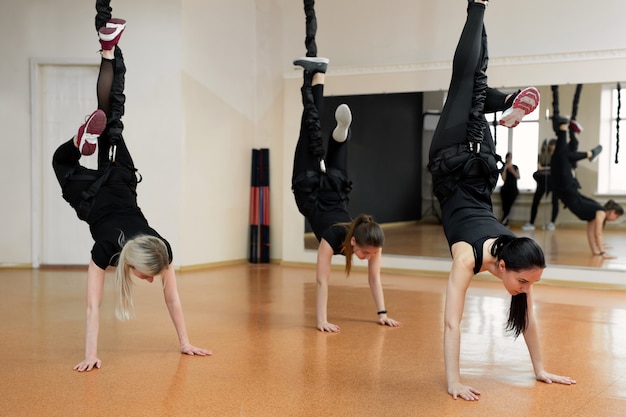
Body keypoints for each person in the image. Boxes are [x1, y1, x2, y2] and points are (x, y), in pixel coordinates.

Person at [427, 0, 576, 401]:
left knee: (469, 85)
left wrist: (541, 369)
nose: (525, 288)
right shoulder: (476, 258)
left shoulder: (497, 259)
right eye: (525, 281)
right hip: (477, 166)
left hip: (454, 161)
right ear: (507, 266)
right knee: (470, 82)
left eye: (529, 283)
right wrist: (453, 381)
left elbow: (527, 322)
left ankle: (507, 98)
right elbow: (451, 325)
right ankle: (479, 9)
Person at [52, 1, 211, 372]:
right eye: (150, 275)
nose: (151, 279)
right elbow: (95, 304)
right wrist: (183, 342)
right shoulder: (106, 250)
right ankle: (77, 143)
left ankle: (109, 47)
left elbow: (167, 298)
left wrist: (186, 342)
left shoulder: (161, 247)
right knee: (61, 163)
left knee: (113, 115)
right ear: (136, 264)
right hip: (94, 198)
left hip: (121, 178)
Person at [550, 116, 623, 256]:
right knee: (562, 156)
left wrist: (596, 252)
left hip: (563, 190)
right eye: (616, 217)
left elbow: (590, 235)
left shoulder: (594, 214)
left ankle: (568, 131)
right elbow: (598, 234)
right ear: (612, 212)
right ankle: (564, 128)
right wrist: (602, 252)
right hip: (566, 188)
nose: (615, 220)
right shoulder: (600, 212)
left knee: (561, 156)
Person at [522, 139, 559, 231]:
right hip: (542, 181)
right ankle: (531, 223)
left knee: (555, 202)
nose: (549, 147)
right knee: (535, 202)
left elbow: (555, 169)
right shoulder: (541, 156)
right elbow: (539, 168)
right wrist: (548, 169)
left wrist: (545, 169)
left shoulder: (556, 156)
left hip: (553, 181)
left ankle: (552, 223)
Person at [499, 152, 519, 226]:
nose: (509, 159)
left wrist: (512, 171)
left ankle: (504, 220)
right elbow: (504, 179)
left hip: (513, 189)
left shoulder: (515, 167)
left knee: (509, 204)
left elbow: (518, 176)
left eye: (510, 157)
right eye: (508, 157)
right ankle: (505, 220)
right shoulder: (504, 167)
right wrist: (505, 169)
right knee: (505, 205)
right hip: (505, 189)